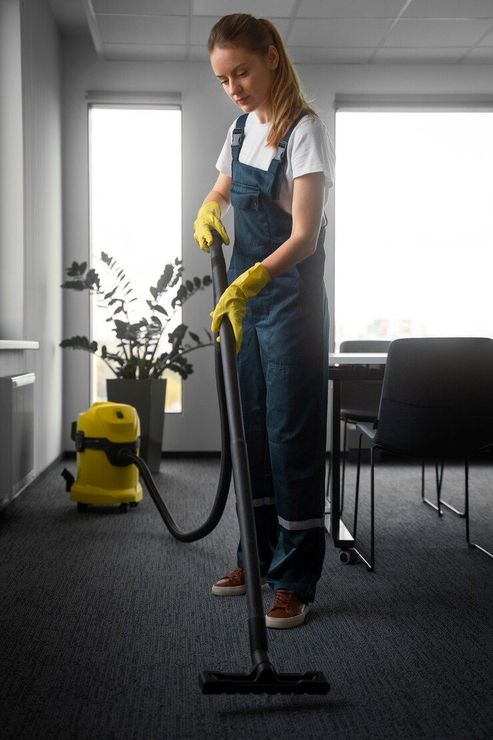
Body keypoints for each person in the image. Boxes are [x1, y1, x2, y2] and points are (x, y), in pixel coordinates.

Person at [193, 13, 334, 629]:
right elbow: (225, 188)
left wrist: (253, 276)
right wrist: (208, 206)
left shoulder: (303, 129)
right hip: (248, 309)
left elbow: (304, 235)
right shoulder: (239, 128)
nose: (235, 88)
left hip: (291, 306)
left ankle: (295, 580)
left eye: (242, 72)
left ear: (272, 56)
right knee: (249, 431)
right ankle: (256, 559)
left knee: (289, 439)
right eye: (224, 80)